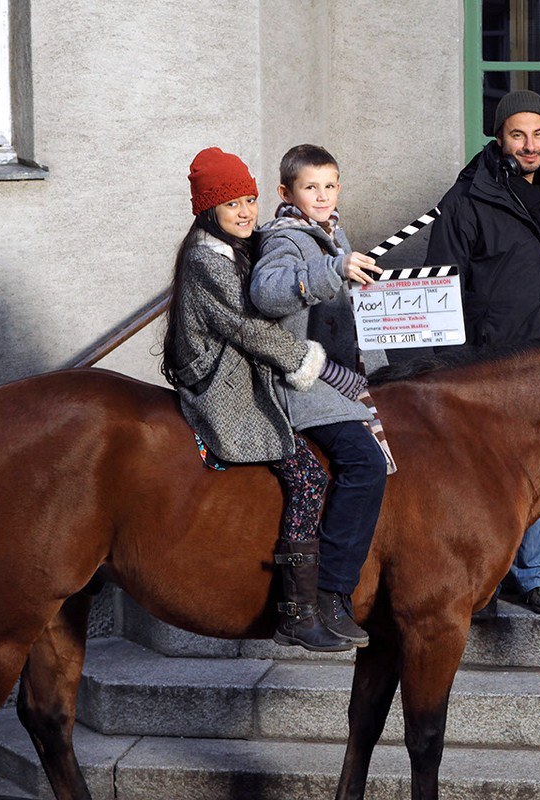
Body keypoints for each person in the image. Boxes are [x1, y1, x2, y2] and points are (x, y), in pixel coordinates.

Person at [162, 146, 360, 652]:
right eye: (233, 204)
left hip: (244, 371)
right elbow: (247, 328)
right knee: (308, 475)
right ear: (210, 211)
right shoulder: (207, 259)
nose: (247, 212)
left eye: (249, 199)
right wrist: (311, 362)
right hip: (223, 386)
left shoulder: (235, 248)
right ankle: (296, 610)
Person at [426, 89, 540, 614]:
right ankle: (487, 577)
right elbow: (442, 284)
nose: (529, 144)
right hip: (491, 361)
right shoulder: (468, 197)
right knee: (489, 473)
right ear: (499, 137)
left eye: (539, 133)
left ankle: (536, 573)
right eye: (518, 134)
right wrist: (456, 363)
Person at [251, 143, 389, 649]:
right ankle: (331, 591)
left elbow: (349, 313)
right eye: (311, 187)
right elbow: (267, 292)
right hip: (305, 386)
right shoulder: (283, 240)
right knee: (365, 465)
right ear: (287, 193)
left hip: (345, 377)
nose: (323, 196)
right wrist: (332, 273)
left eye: (330, 185)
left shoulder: (334, 233)